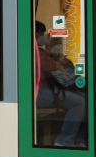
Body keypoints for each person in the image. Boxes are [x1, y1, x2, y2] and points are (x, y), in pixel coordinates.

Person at [34, 19, 87, 148]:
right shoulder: (32, 47)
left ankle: (78, 139)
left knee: (87, 100)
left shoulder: (38, 48)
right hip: (39, 91)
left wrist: (55, 57)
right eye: (41, 33)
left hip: (46, 88)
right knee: (81, 103)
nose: (42, 37)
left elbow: (46, 58)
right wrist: (58, 65)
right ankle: (64, 141)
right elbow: (44, 63)